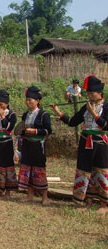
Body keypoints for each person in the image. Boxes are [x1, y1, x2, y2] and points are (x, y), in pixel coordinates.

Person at [52, 75, 108, 214]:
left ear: (100, 93)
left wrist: (94, 114)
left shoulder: (106, 107)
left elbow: (106, 126)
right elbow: (72, 121)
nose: (89, 95)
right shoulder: (85, 107)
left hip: (100, 143)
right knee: (85, 171)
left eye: (91, 93)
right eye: (88, 93)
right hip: (85, 142)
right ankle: (87, 200)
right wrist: (58, 112)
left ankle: (104, 204)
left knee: (101, 171)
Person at [18, 86, 52, 205]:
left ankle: (45, 197)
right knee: (28, 168)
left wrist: (36, 131)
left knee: (39, 169)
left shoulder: (44, 114)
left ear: (37, 101)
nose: (28, 102)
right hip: (27, 145)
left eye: (30, 100)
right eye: (27, 100)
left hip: (38, 145)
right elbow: (21, 129)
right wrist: (22, 132)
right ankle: (30, 196)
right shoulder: (25, 114)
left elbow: (48, 130)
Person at [0, 90, 18, 197]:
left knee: (7, 165)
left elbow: (8, 128)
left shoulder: (12, 115)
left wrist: (2, 117)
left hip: (6, 143)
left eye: (1, 104)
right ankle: (0, 189)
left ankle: (9, 190)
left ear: (7, 104)